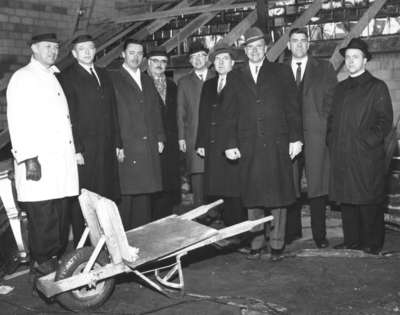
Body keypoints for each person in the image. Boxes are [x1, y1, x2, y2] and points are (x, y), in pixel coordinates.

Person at [220, 27, 302, 260]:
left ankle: (277, 245)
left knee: (279, 196)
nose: (255, 51)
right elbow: (228, 114)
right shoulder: (235, 77)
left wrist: (296, 138)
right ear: (245, 51)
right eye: (250, 47)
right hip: (249, 146)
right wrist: (229, 143)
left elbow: (293, 109)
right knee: (253, 196)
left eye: (259, 47)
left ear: (266, 49)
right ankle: (256, 243)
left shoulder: (281, 72)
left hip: (278, 143)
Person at [7, 32, 79, 274]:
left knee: (58, 226)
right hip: (39, 165)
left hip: (59, 166)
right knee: (44, 225)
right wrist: (28, 159)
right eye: (47, 47)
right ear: (34, 49)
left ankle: (54, 275)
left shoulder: (53, 76)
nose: (53, 51)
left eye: (56, 47)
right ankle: (43, 275)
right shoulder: (23, 77)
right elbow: (17, 120)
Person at [327, 38, 393, 254]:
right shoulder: (340, 88)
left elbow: (385, 122)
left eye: (355, 57)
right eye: (347, 57)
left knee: (368, 201)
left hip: (366, 156)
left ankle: (372, 243)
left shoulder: (377, 87)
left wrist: (366, 142)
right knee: (347, 201)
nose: (350, 61)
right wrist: (332, 142)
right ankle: (352, 241)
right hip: (343, 155)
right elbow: (332, 120)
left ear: (365, 60)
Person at [59, 33, 123, 245]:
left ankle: (108, 241)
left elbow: (113, 110)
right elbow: (69, 116)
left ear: (96, 51)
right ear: (75, 53)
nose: (87, 52)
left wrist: (118, 143)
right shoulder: (67, 77)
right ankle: (85, 245)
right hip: (84, 150)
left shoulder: (104, 74)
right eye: (82, 49)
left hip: (106, 146)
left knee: (106, 194)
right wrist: (76, 150)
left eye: (90, 48)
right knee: (85, 198)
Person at [285, 28, 337, 248]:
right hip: (289, 137)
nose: (298, 45)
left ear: (308, 45)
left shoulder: (324, 68)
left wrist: (321, 122)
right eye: (294, 41)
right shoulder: (279, 70)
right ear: (288, 45)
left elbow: (332, 99)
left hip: (316, 136)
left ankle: (319, 235)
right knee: (290, 185)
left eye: (302, 41)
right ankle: (292, 231)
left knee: (317, 187)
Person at [109, 39, 165, 230]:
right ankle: (123, 245)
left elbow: (155, 111)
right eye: (131, 52)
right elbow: (110, 114)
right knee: (126, 198)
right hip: (127, 147)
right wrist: (117, 143)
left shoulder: (147, 80)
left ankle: (143, 243)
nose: (135, 57)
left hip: (147, 147)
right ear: (123, 54)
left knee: (144, 198)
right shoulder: (113, 78)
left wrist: (160, 137)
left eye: (139, 53)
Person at [195, 42, 244, 228]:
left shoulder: (240, 82)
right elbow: (203, 115)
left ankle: (239, 232)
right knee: (219, 190)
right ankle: (227, 227)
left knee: (235, 192)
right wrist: (201, 142)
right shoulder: (208, 85)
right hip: (213, 145)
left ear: (233, 62)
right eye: (217, 59)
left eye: (225, 59)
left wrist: (238, 143)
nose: (221, 63)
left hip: (233, 145)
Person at [177, 42, 215, 207]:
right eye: (194, 57)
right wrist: (181, 137)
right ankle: (202, 215)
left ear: (207, 58)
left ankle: (218, 214)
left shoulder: (217, 76)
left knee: (216, 174)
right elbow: (180, 111)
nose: (198, 60)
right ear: (190, 61)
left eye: (201, 56)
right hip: (193, 135)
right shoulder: (184, 82)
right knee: (198, 177)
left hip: (216, 135)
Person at [147, 47, 181, 219]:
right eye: (156, 61)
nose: (160, 65)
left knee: (169, 183)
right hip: (151, 141)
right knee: (154, 184)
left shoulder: (173, 86)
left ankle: (166, 220)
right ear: (148, 63)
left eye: (163, 62)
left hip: (171, 142)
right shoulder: (142, 83)